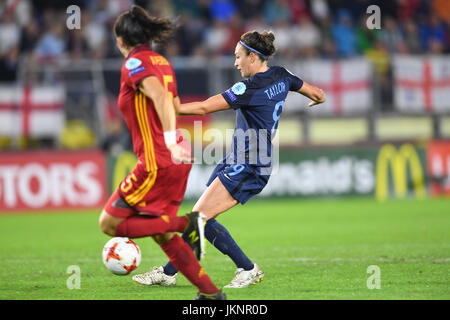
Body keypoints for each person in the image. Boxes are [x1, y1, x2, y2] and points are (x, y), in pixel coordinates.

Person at [132, 30, 326, 288]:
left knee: (199, 217)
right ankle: (170, 272)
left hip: (250, 162)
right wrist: (317, 99)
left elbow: (202, 108)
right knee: (202, 218)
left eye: (238, 57)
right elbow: (317, 93)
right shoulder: (282, 75)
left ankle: (245, 268)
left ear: (253, 57)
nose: (235, 62)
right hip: (243, 157)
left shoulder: (248, 88)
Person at [98, 5, 226, 300]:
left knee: (109, 222)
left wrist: (168, 140)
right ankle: (211, 294)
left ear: (120, 41)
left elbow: (159, 96)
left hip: (158, 160)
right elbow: (175, 104)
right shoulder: (163, 62)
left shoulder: (134, 64)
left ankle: (188, 223)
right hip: (177, 160)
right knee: (163, 234)